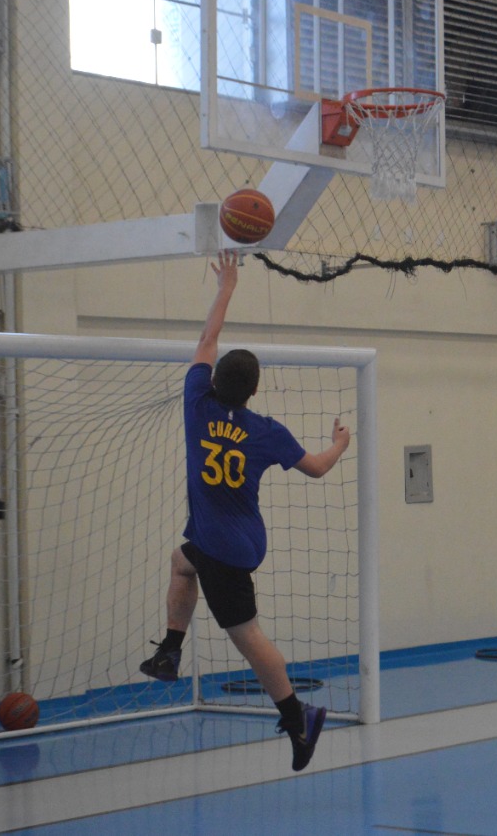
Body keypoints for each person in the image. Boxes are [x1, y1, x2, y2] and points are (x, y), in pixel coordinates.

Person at [140, 250, 351, 772]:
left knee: (247, 636)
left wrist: (226, 286)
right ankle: (169, 649)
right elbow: (318, 468)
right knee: (180, 561)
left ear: (214, 381)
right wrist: (341, 444)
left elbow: (207, 341)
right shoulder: (266, 431)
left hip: (223, 545)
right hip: (238, 538)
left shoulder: (196, 403)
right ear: (254, 391)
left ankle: (298, 719)